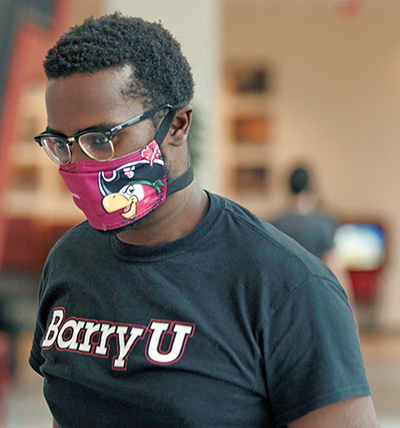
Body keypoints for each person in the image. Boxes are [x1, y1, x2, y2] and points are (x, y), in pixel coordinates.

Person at [29, 13, 379, 428]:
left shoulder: (286, 286)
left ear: (176, 125)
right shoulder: (70, 258)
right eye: (61, 143)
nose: (81, 163)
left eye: (103, 139)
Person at [271, 165, 355, 304]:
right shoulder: (324, 223)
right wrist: (351, 313)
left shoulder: (275, 224)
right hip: (316, 299)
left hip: (285, 300)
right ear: (311, 186)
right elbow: (335, 268)